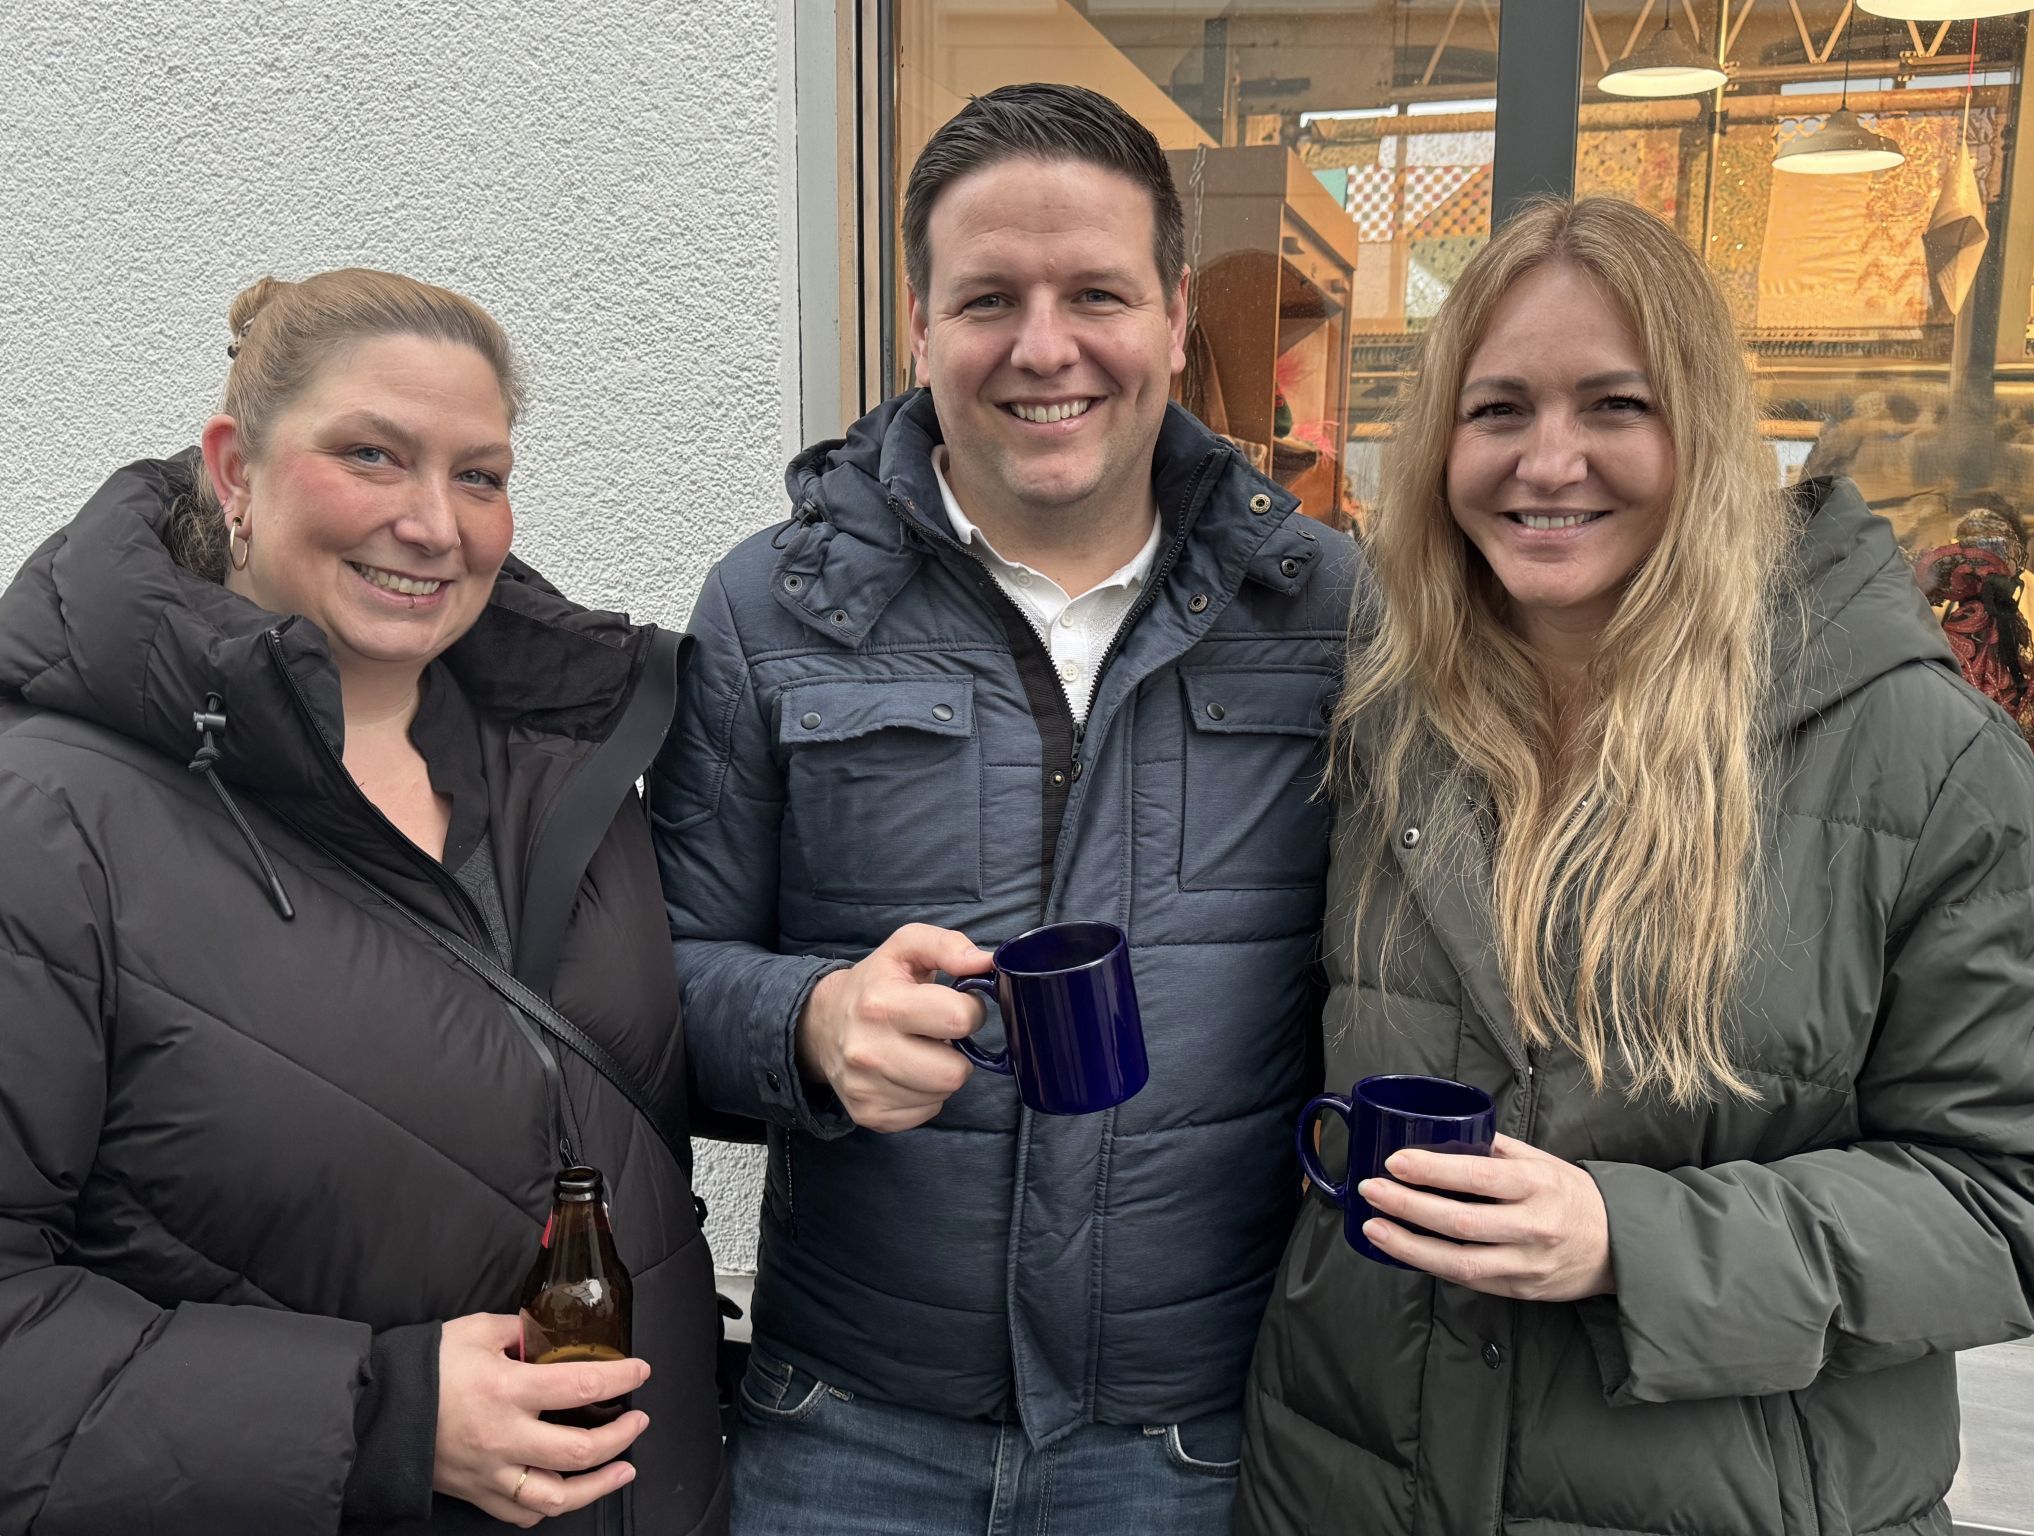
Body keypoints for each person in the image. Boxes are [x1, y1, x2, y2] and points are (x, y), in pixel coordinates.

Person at [1233, 195, 2034, 1536]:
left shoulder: (1920, 759)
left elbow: (2008, 1207)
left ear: (1709, 431)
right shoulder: (1387, 717)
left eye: (1615, 405)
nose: (1547, 463)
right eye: (1497, 411)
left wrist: (1635, 1242)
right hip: (1354, 1484)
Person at [653, 83, 1354, 1533]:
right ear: (918, 326)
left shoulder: (1328, 614)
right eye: (990, 299)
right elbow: (656, 985)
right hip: (846, 1429)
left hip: (1189, 1442)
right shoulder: (770, 610)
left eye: (1095, 291)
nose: (1045, 348)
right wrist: (809, 1025)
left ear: (1171, 314)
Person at [0, 269, 727, 1534]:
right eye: (373, 456)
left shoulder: (570, 774)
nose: (434, 525)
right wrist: (374, 1416)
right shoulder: (49, 816)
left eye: (479, 476)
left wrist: (814, 1023)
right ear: (234, 470)